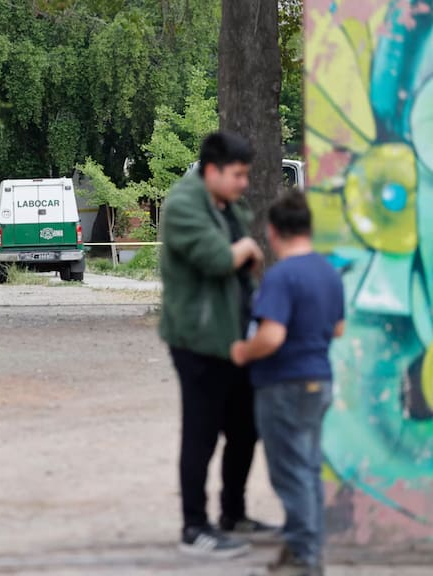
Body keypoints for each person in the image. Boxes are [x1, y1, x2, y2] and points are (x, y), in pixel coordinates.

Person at [159, 131, 276, 557]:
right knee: (201, 433)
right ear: (212, 171)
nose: (245, 183)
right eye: (238, 175)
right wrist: (245, 246)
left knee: (246, 428)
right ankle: (194, 527)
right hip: (199, 341)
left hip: (235, 338)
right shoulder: (184, 205)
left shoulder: (224, 203)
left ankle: (233, 513)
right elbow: (216, 258)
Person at [231, 193, 344, 576]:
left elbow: (272, 336)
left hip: (284, 384)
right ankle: (307, 546)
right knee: (308, 467)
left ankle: (304, 558)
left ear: (273, 231)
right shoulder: (328, 272)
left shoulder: (282, 275)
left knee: (289, 472)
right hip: (320, 381)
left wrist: (244, 352)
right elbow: (339, 327)